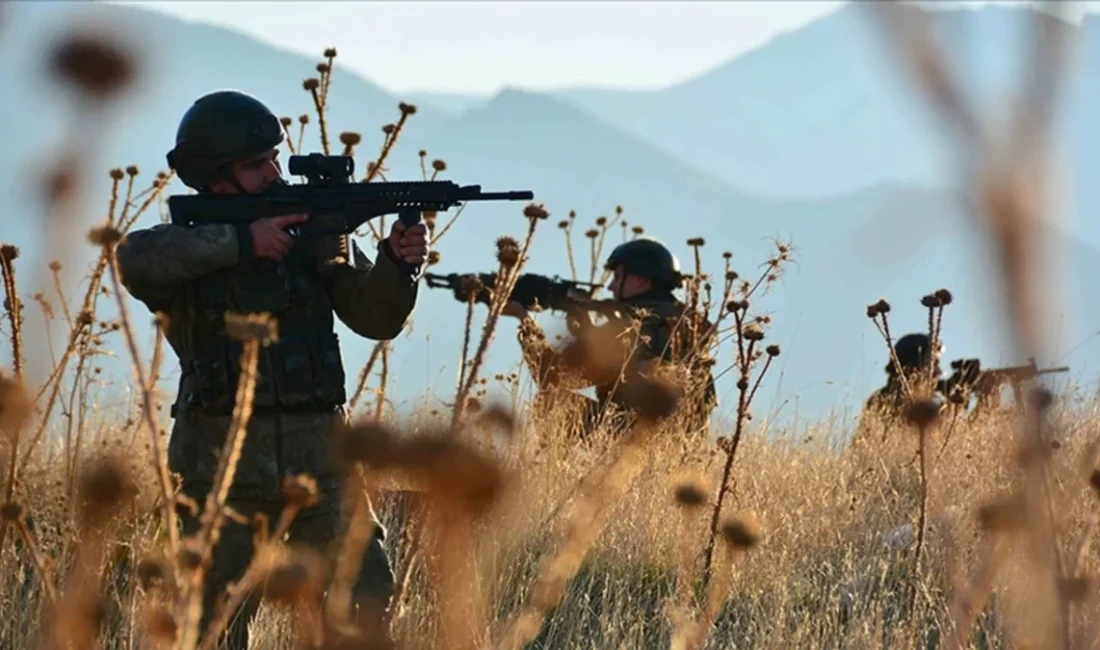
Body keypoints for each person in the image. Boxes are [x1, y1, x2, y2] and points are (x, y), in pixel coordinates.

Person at [115, 90, 428, 649]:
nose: (275, 173)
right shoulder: (188, 245)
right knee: (208, 627)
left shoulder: (312, 232)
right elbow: (135, 260)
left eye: (275, 160)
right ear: (215, 176)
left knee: (366, 609)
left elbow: (374, 318)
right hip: (220, 472)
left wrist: (397, 266)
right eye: (256, 166)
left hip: (323, 464)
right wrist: (243, 243)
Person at [503, 237, 717, 440]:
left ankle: (571, 476)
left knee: (551, 403)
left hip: (637, 440)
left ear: (641, 280)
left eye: (617, 276)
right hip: (684, 446)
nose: (611, 286)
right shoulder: (684, 322)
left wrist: (524, 321)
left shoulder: (631, 326)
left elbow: (552, 376)